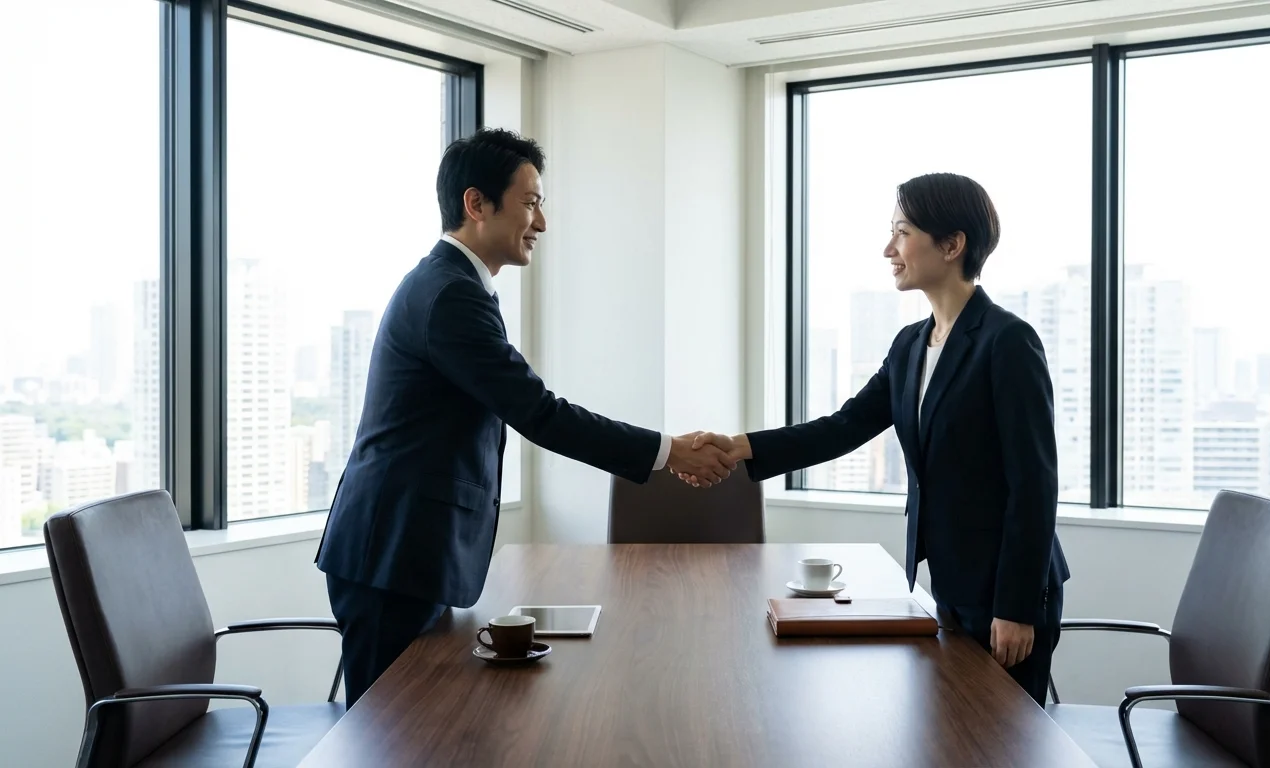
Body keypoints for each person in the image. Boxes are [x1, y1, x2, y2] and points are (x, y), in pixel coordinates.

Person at [315, 128, 735, 708]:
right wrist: (669, 451)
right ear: (476, 203)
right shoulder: (449, 295)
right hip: (395, 552)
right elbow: (538, 412)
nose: (542, 222)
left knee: (416, 731)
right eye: (531, 202)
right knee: (390, 736)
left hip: (407, 548)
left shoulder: (457, 285)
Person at [686, 173, 1069, 706]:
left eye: (903, 232)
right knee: (955, 735)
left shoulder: (1007, 342)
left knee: (1001, 742)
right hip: (951, 584)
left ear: (953, 245)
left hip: (1006, 592)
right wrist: (742, 445)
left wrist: (1017, 607)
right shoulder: (911, 344)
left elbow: (1035, 484)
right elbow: (844, 426)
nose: (889, 248)